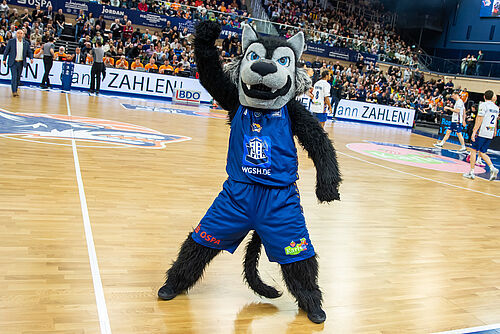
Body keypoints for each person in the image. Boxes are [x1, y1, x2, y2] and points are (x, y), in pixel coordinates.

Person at [463, 90, 499, 180]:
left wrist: (474, 131)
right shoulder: (496, 107)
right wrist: (495, 130)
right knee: (482, 152)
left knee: (473, 150)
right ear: (492, 97)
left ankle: (471, 172)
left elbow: (479, 119)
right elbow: (495, 121)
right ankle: (492, 168)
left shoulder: (483, 105)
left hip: (482, 131)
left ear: (484, 96)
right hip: (490, 132)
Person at [2, 29, 33, 97]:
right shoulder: (11, 41)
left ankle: (15, 89)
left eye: (21, 33)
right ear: (16, 34)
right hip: (13, 62)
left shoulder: (26, 43)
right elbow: (6, 51)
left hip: (21, 62)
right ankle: (14, 91)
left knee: (18, 77)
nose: (19, 34)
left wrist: (31, 58)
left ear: (23, 35)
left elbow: (29, 52)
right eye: (18, 33)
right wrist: (4, 59)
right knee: (14, 76)